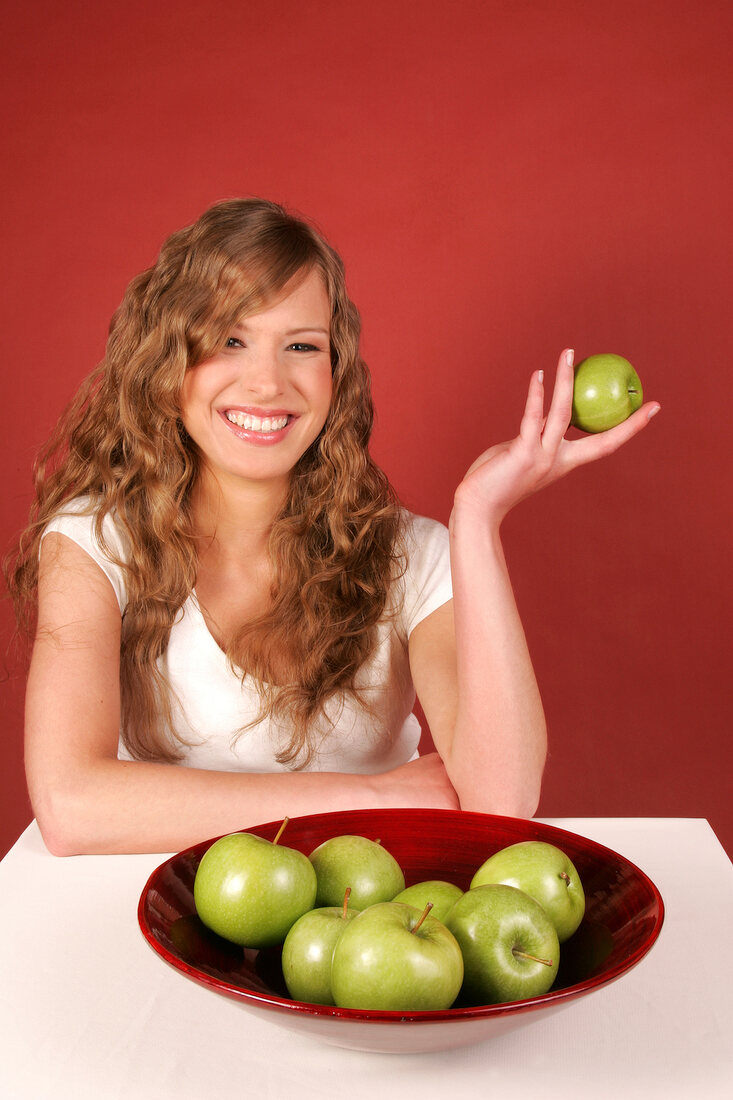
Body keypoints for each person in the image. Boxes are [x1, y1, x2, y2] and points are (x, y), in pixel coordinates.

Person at [5, 198, 659, 855]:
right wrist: (372, 799)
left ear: (334, 373)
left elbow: (502, 802)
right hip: (155, 922)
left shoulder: (414, 554)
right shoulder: (94, 542)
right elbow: (72, 807)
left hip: (375, 929)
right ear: (169, 364)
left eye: (300, 346)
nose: (266, 382)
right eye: (229, 340)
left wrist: (478, 519)